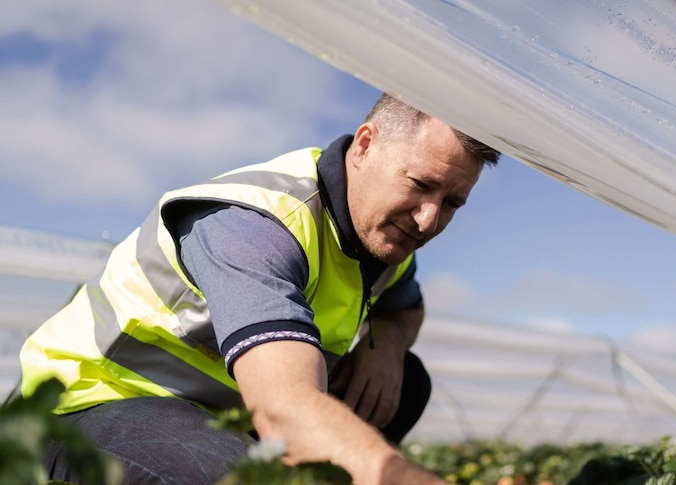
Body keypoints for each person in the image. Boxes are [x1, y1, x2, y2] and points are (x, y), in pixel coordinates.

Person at [19, 93, 500, 484]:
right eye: (420, 184)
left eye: (452, 202)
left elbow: (404, 308)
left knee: (406, 381)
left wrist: (388, 346)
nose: (428, 220)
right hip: (92, 404)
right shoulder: (257, 225)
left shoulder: (384, 242)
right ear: (365, 146)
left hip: (223, 416)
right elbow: (283, 410)